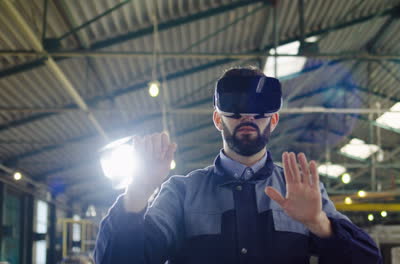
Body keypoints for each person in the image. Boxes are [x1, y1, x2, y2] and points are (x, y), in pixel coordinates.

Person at [94, 67, 382, 264]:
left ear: (274, 120)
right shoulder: (182, 193)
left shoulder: (302, 191)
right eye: (235, 113)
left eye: (258, 113)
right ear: (219, 119)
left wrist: (318, 224)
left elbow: (368, 259)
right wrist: (138, 193)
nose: (248, 120)